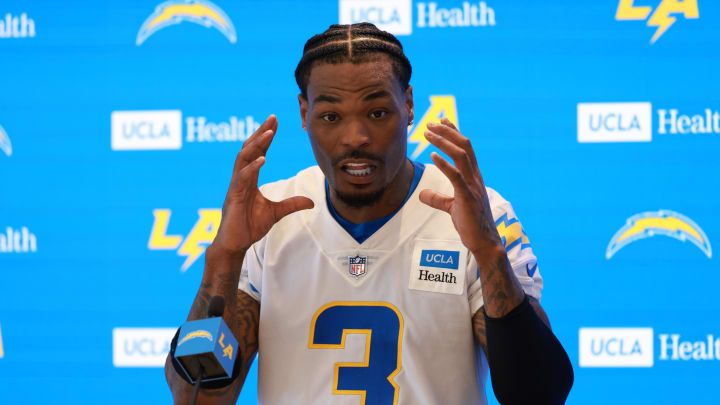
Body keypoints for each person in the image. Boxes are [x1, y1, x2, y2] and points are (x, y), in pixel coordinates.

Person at [165, 22, 573, 405]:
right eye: (330, 116)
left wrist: (488, 252)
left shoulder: (472, 211)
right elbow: (197, 397)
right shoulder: (270, 215)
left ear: (409, 105)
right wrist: (224, 257)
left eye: (377, 113)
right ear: (304, 114)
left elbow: (538, 395)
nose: (355, 138)